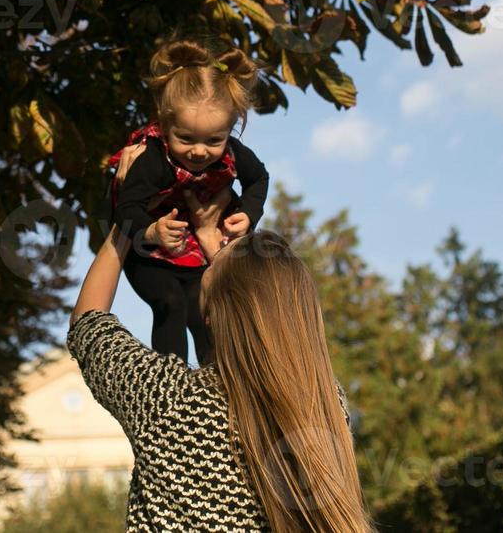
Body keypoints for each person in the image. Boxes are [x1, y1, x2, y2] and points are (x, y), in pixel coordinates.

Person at [67, 211, 375, 533]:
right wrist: (232, 268)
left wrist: (125, 217)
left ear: (212, 316)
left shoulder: (170, 400)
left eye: (209, 268)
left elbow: (88, 323)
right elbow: (258, 317)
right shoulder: (327, 404)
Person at [108, 38, 270, 364]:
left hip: (193, 250)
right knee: (170, 302)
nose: (199, 151)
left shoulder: (234, 155)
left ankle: (216, 382)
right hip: (148, 251)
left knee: (203, 311)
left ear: (231, 129)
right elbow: (125, 208)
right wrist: (151, 231)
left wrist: (250, 214)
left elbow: (259, 179)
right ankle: (174, 377)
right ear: (166, 125)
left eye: (213, 140)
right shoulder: (152, 159)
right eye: (186, 138)